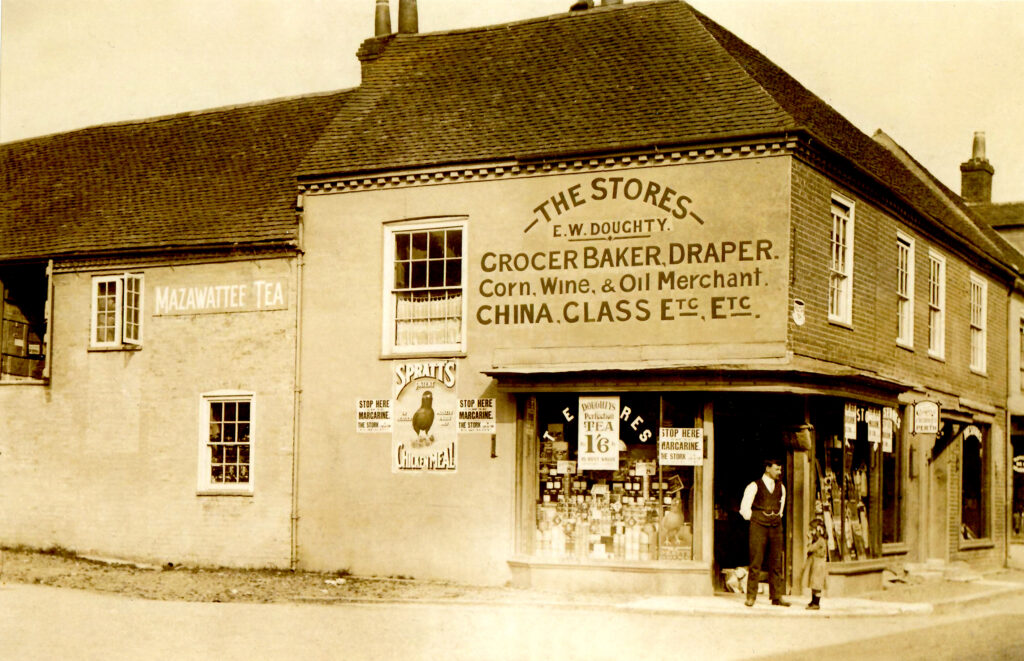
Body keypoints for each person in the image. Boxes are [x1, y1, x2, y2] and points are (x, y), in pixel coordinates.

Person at [739, 458, 789, 607]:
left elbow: (781, 508)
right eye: (777, 469)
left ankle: (776, 596)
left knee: (776, 562)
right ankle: (751, 597)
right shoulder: (754, 486)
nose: (779, 472)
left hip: (776, 527)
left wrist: (775, 518)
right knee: (756, 561)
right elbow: (744, 509)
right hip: (758, 527)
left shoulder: (781, 487)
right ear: (767, 468)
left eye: (780, 469)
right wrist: (757, 519)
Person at [801, 517, 827, 610]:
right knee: (813, 584)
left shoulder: (821, 541)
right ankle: (813, 601)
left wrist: (809, 540)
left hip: (818, 566)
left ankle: (816, 603)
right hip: (814, 564)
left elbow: (811, 548)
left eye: (812, 530)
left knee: (817, 584)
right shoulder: (817, 540)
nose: (810, 532)